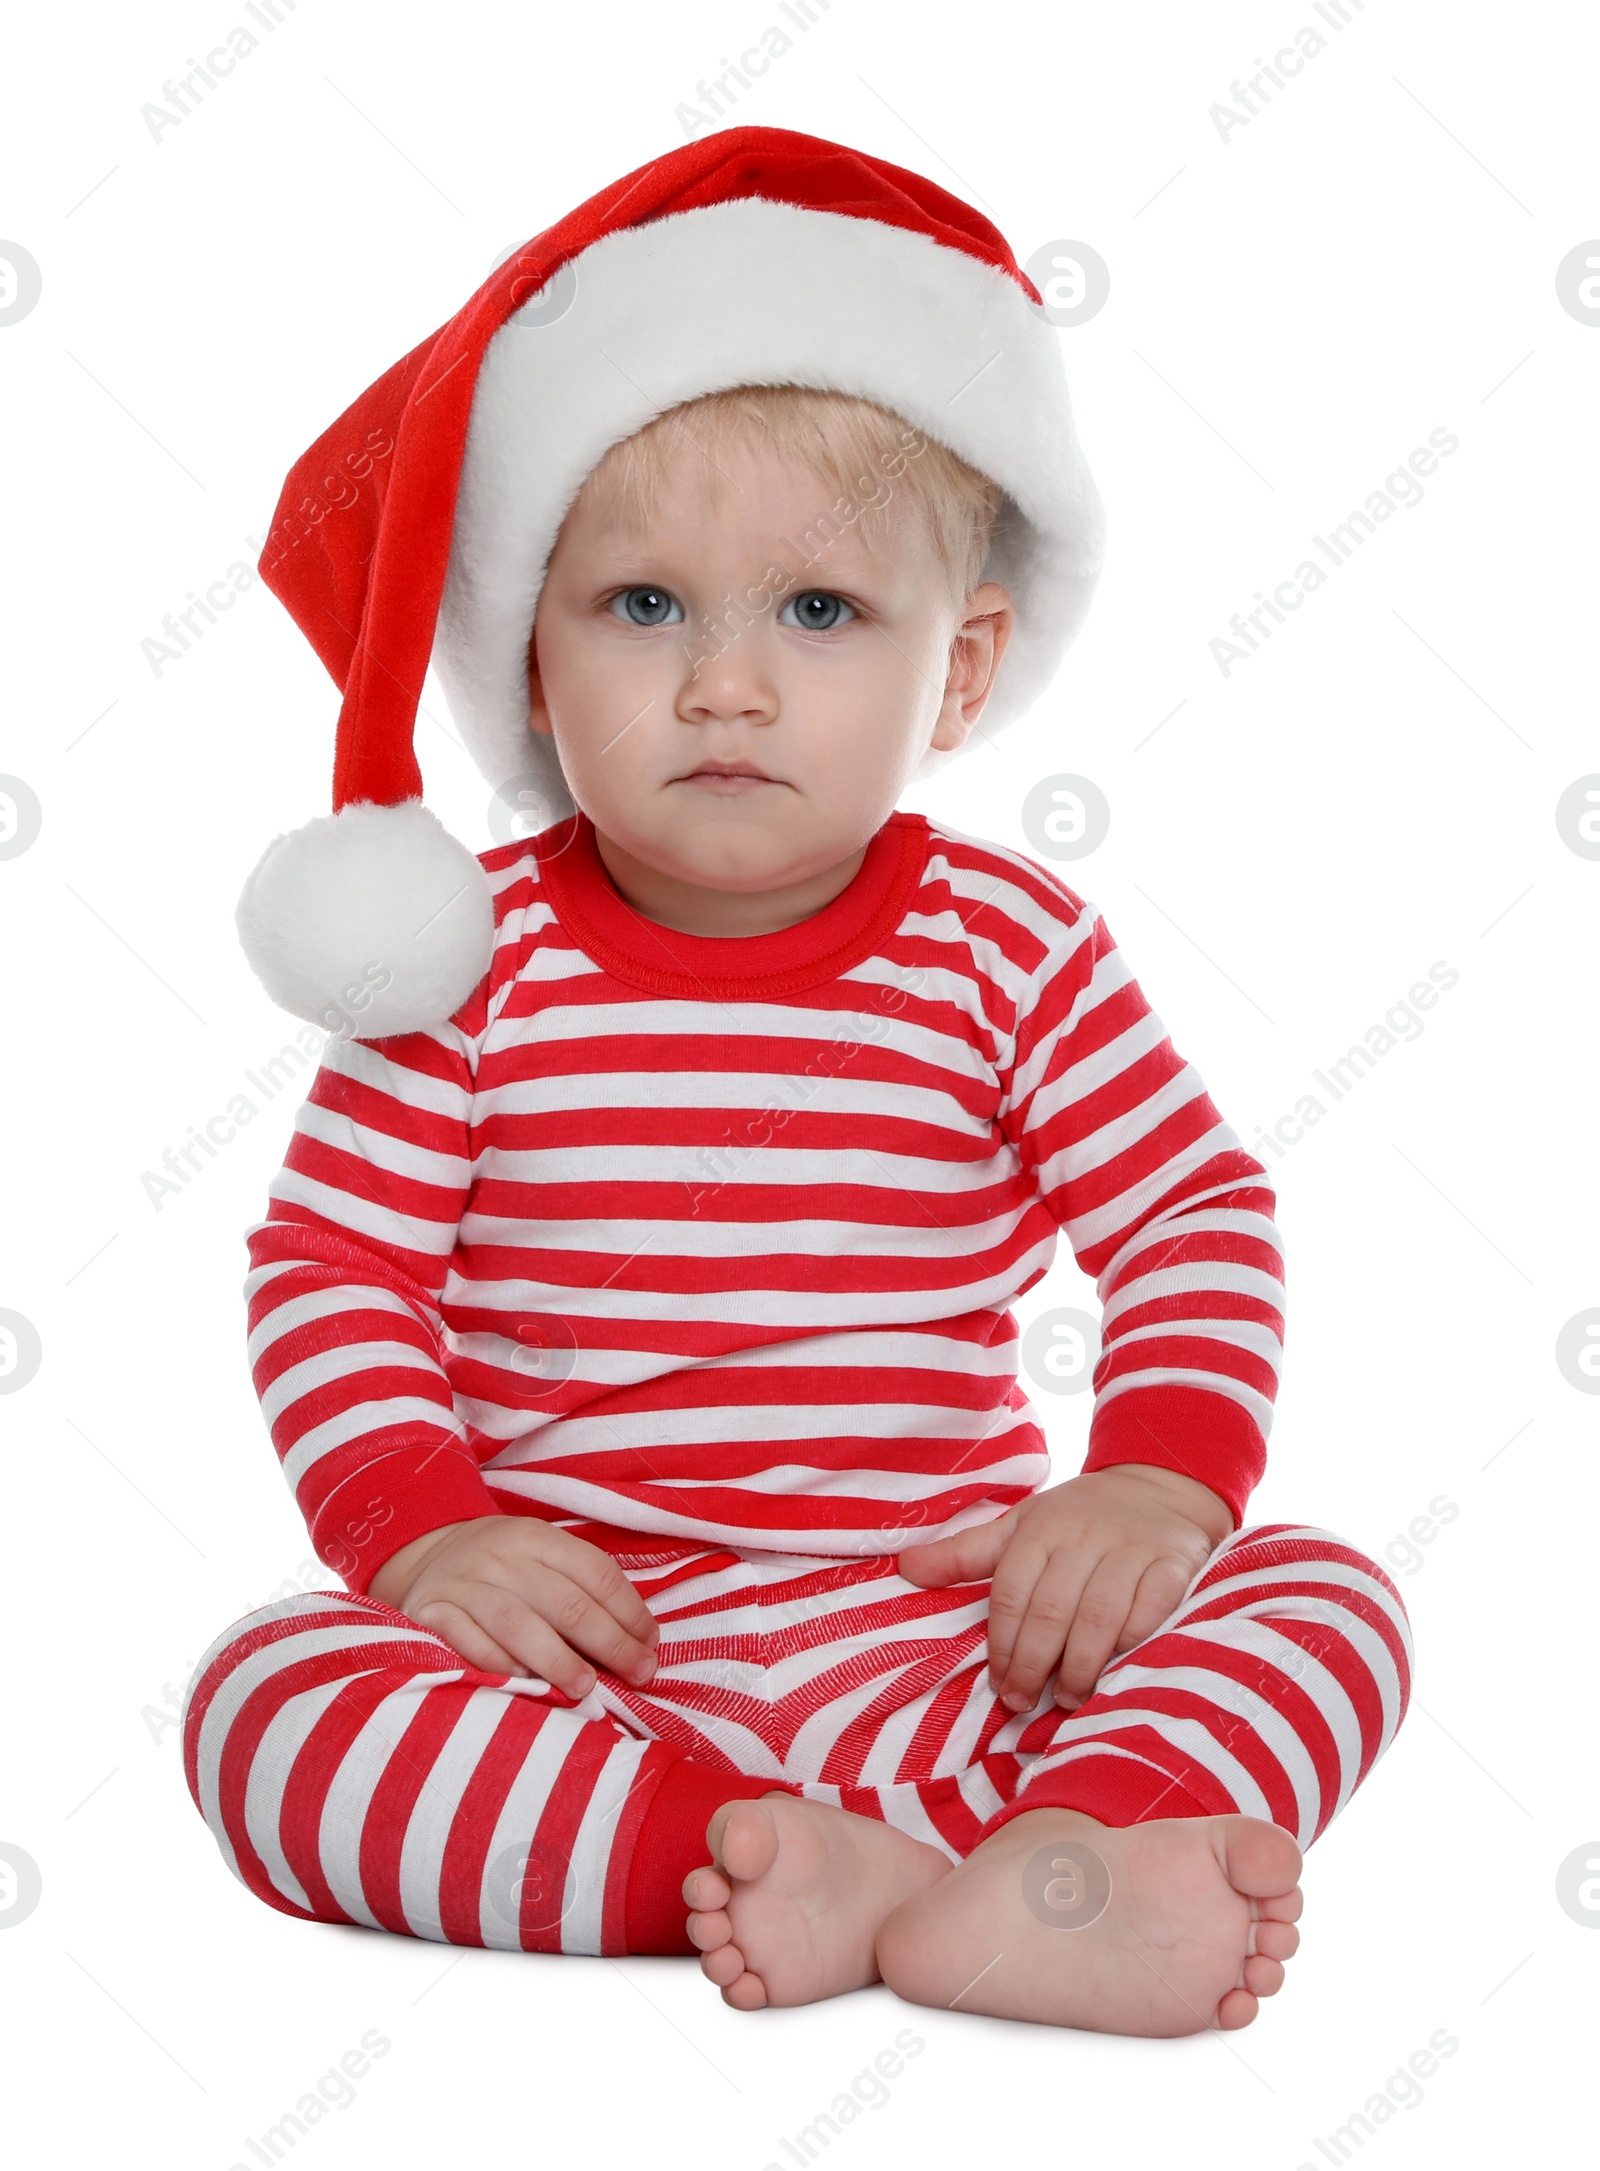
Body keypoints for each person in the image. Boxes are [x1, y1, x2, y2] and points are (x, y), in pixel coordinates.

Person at [183, 127, 1410, 2036]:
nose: (726, 687)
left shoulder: (1007, 951)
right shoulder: (462, 969)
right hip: (592, 1670)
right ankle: (771, 1858)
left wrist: (1154, 1485)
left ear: (967, 668)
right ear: (525, 651)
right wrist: (420, 1526)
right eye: (645, 608)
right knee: (266, 1706)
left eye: (819, 614)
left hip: (953, 1639)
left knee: (1327, 1594)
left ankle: (1058, 1850)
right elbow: (337, 1274)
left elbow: (1187, 1212)